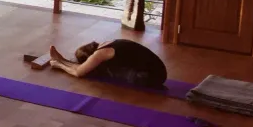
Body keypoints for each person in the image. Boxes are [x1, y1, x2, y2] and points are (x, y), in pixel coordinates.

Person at [32, 39, 167, 88]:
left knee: (102, 70)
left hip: (150, 78)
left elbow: (79, 72)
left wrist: (59, 66)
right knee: (104, 67)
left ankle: (60, 61)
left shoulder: (100, 54)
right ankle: (61, 59)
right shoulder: (107, 43)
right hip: (160, 72)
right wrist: (62, 60)